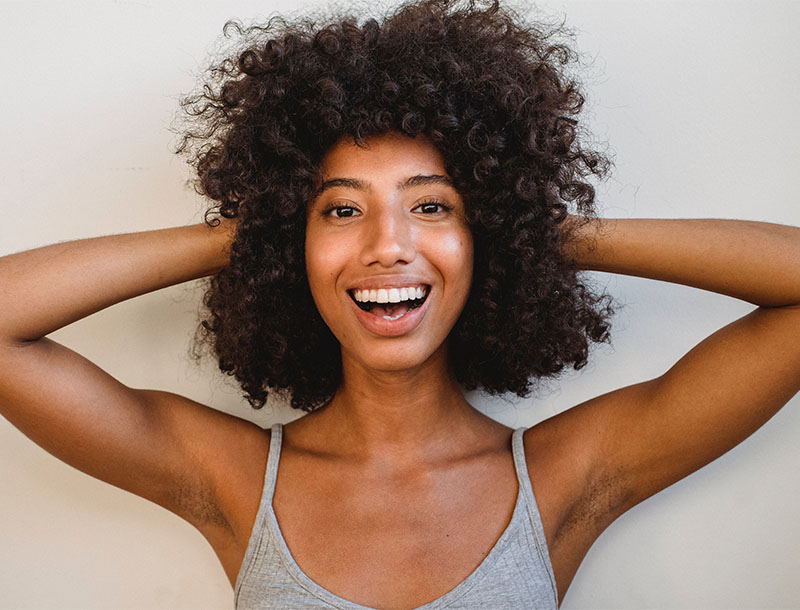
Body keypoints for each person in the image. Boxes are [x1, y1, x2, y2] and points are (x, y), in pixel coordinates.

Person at [1, 0, 798, 608]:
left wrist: (526, 225)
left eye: (431, 206)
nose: (388, 245)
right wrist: (252, 233)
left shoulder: (564, 477)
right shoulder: (237, 479)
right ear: (294, 241)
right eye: (341, 210)